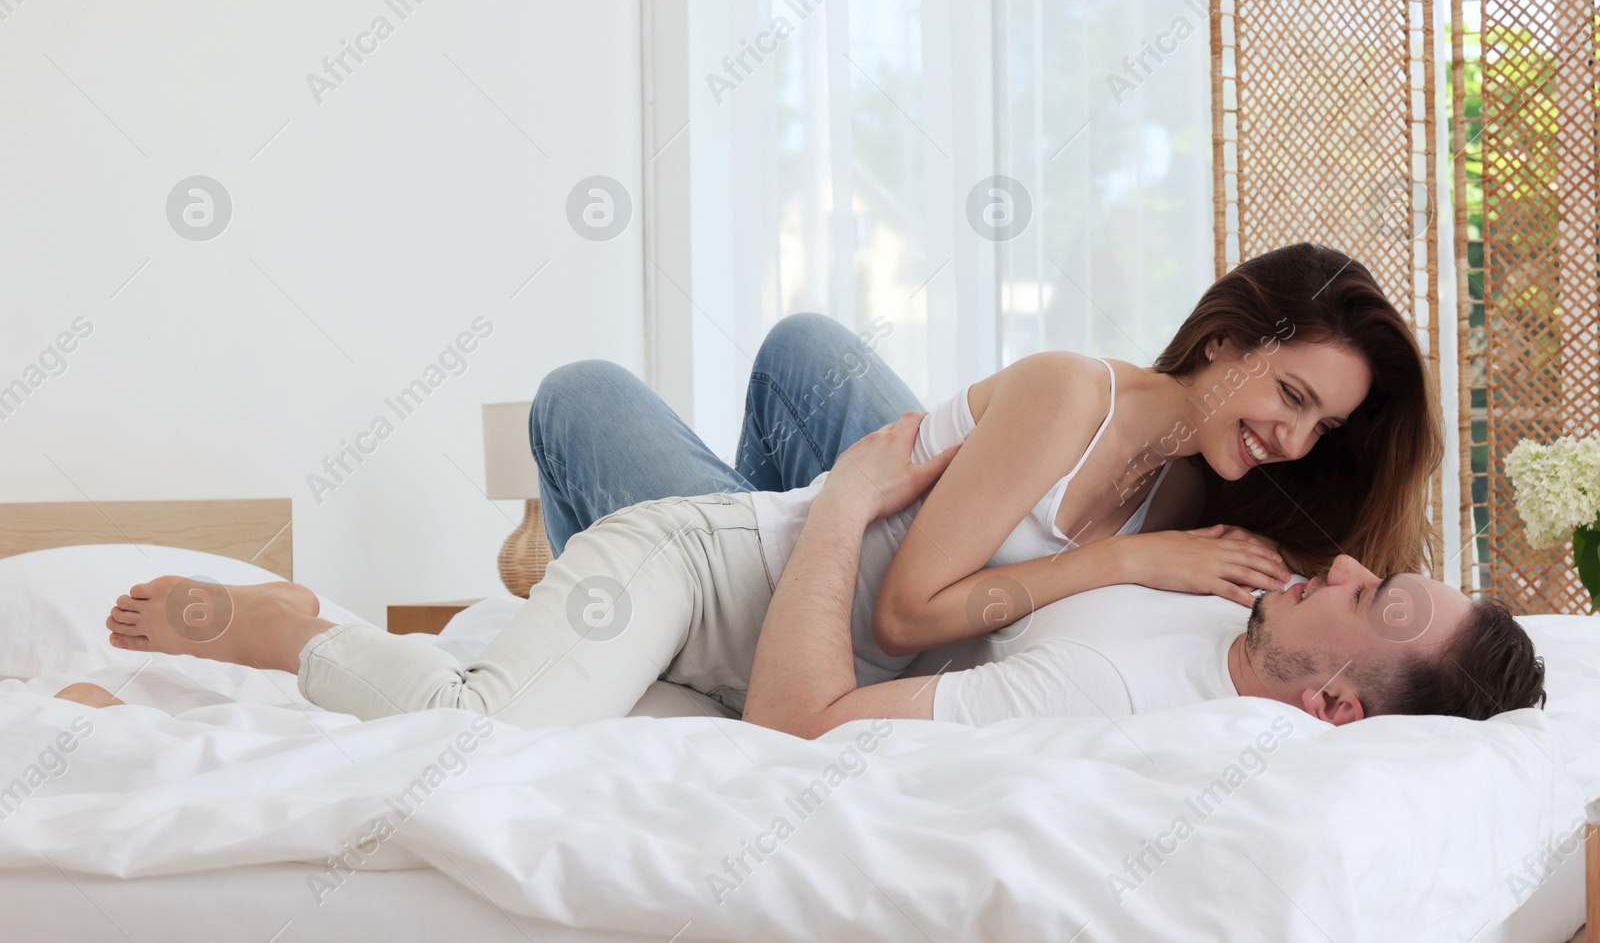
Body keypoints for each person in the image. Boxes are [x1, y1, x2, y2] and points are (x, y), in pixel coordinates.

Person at [99, 414, 1545, 736]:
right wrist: (851, 499)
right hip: (703, 567)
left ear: (1345, 706)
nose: (1350, 561)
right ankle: (301, 627)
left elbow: (819, 723)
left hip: (747, 660)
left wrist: (852, 511)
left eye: (1379, 597)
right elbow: (826, 718)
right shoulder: (1217, 585)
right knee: (482, 736)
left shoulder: (1128, 691)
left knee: (551, 749)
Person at [530, 243, 1442, 672]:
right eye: (1290, 396)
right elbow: (900, 616)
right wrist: (1125, 557)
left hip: (839, 615)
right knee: (579, 397)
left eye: (1321, 427)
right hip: (773, 586)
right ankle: (620, 644)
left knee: (802, 346)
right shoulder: (1072, 394)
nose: (1293, 440)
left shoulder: (1194, 496)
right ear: (1224, 339)